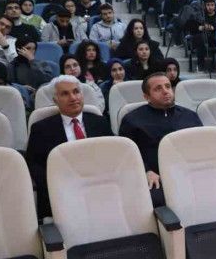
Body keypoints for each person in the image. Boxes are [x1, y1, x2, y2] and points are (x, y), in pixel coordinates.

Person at [26, 75, 113, 218]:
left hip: (100, 186)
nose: (73, 98)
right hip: (61, 191)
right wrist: (59, 185)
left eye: (76, 91)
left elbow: (112, 156)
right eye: (65, 94)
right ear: (55, 100)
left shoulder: (100, 122)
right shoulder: (41, 129)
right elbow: (34, 165)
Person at [119, 73, 203, 207]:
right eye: (158, 88)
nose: (165, 91)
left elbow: (201, 147)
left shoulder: (190, 116)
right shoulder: (132, 120)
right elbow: (126, 155)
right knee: (158, 200)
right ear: (146, 96)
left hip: (190, 172)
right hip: (155, 177)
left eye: (168, 86)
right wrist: (146, 171)